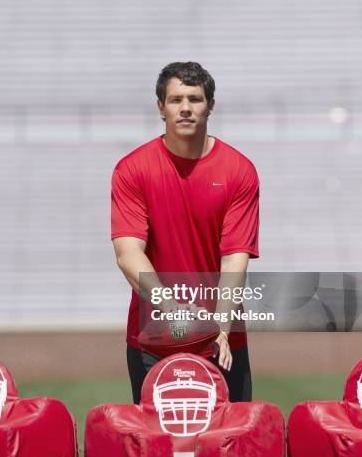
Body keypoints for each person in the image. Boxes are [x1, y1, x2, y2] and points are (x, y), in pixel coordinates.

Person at [111, 61, 260, 405]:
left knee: (229, 452)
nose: (186, 108)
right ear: (160, 107)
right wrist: (172, 307)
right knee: (158, 455)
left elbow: (234, 261)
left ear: (210, 105)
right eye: (176, 99)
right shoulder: (132, 169)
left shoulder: (239, 171)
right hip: (155, 336)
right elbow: (128, 253)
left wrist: (220, 329)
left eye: (195, 99)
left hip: (222, 341)